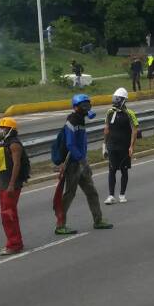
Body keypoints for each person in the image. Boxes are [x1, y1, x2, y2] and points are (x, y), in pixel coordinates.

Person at [54, 94, 113, 234]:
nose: (87, 108)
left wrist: (84, 161)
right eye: (83, 105)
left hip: (81, 162)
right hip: (73, 164)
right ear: (75, 107)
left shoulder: (80, 120)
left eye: (88, 104)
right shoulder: (72, 121)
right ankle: (60, 225)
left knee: (91, 191)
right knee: (69, 194)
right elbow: (70, 144)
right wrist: (82, 160)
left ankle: (98, 220)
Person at [0, 117, 29, 255]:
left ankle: (14, 244)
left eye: (3, 128)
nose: (0, 130)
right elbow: (1, 168)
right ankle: (14, 242)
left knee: (9, 215)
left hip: (11, 185)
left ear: (11, 130)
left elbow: (16, 165)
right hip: (4, 184)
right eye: (0, 128)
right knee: (6, 216)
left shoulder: (15, 145)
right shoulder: (3, 144)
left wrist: (11, 185)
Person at [102, 88, 139, 205]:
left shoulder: (130, 113)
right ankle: (111, 195)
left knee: (124, 170)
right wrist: (104, 145)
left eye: (117, 99)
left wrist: (131, 147)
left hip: (124, 147)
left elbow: (134, 130)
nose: (115, 101)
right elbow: (106, 129)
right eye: (114, 98)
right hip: (112, 146)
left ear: (123, 100)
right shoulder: (109, 112)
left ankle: (122, 194)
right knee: (111, 170)